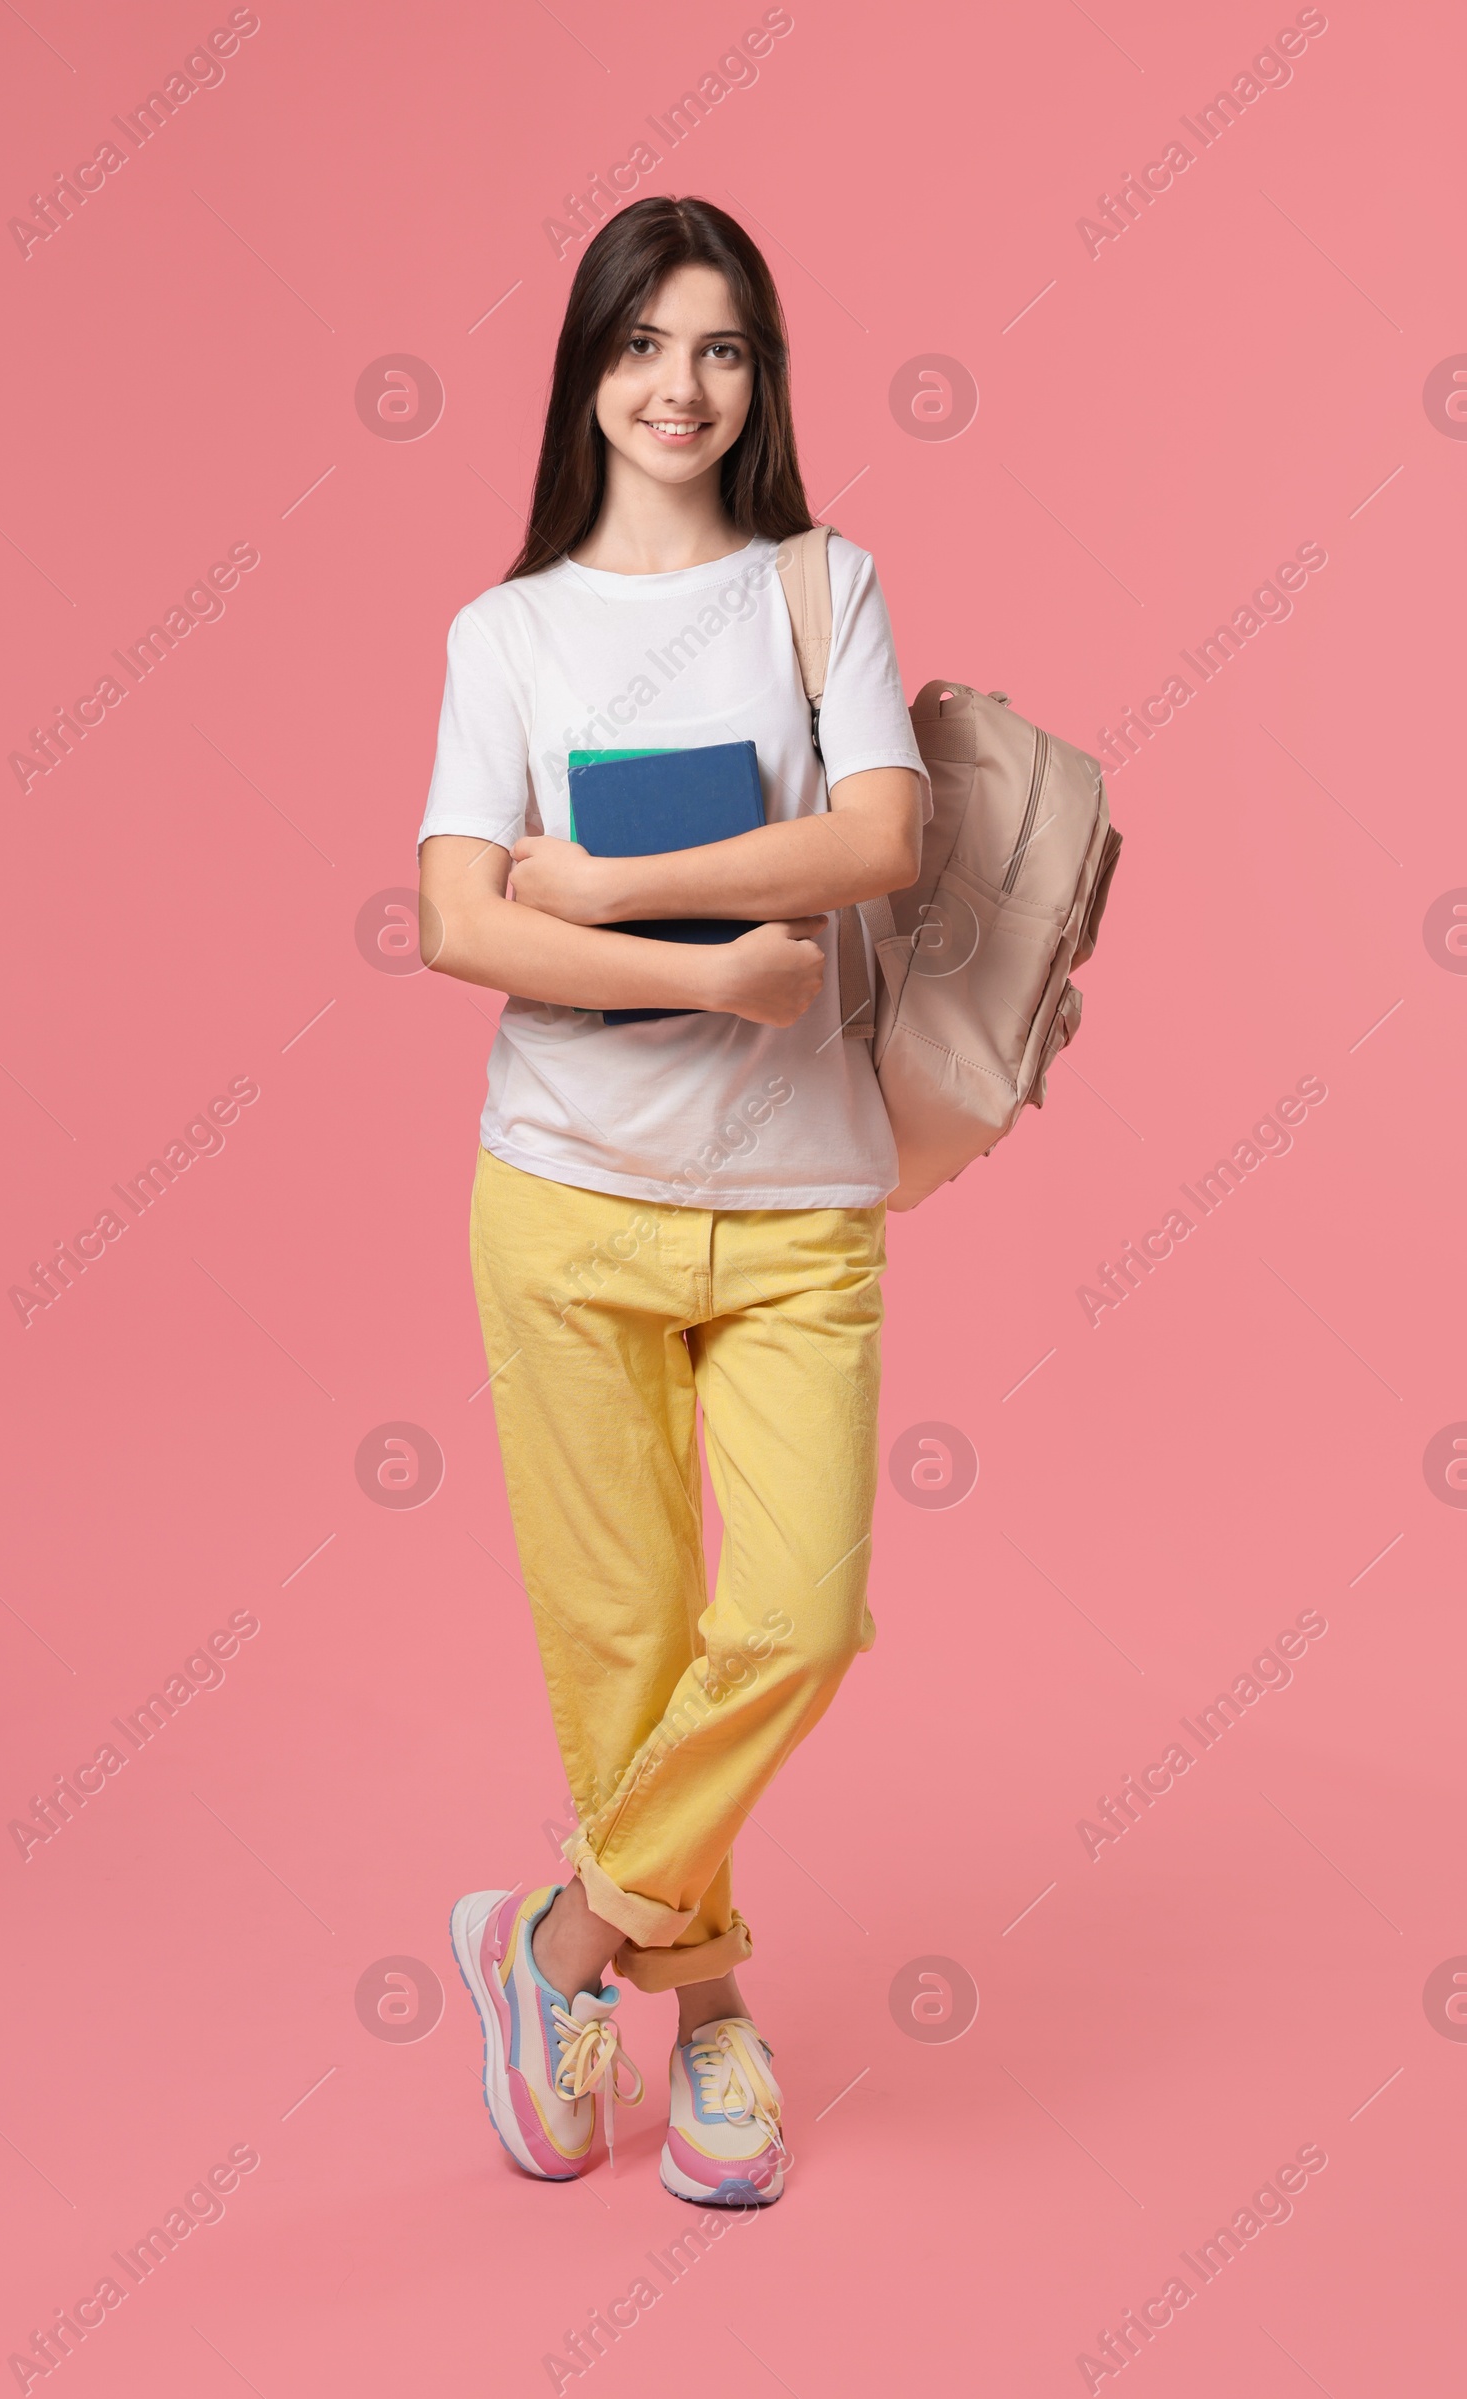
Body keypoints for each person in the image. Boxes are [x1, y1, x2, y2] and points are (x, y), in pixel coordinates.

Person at [419, 194, 929, 2206]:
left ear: (758, 380)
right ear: (585, 373)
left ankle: (548, 1946)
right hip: (561, 1197)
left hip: (798, 1203)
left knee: (793, 1622)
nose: (678, 387)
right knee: (622, 1647)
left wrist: (616, 895)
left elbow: (879, 837)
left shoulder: (820, 588)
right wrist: (709, 967)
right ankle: (708, 2024)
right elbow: (460, 922)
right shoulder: (507, 631)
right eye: (642, 346)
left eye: (718, 350)